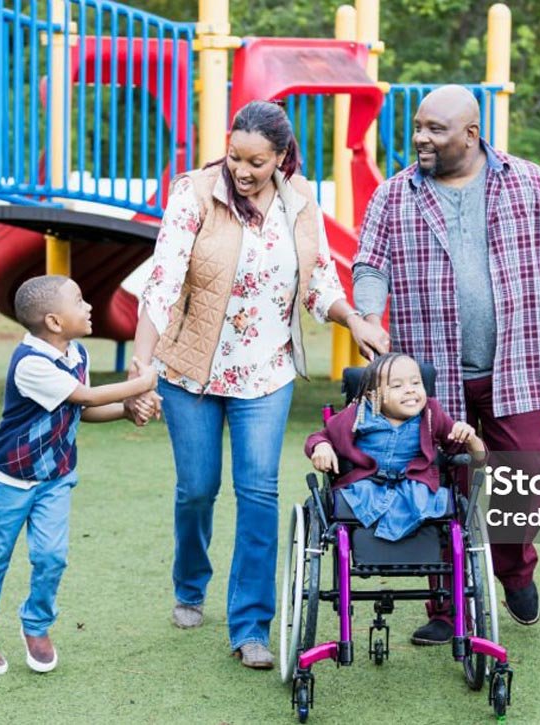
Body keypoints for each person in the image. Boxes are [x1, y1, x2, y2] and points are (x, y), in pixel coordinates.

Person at [353, 84, 540, 645]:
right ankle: (446, 605)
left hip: (518, 365)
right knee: (436, 488)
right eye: (418, 127)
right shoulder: (395, 195)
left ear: (471, 134)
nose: (420, 138)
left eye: (435, 129)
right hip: (429, 378)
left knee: (527, 479)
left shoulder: (527, 181)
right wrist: (365, 314)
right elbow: (369, 264)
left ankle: (513, 570)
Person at [127, 100, 388, 670]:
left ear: (281, 158)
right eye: (235, 156)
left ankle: (251, 625)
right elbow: (164, 279)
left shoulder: (300, 205)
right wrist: (140, 366)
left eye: (257, 162)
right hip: (189, 370)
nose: (242, 171)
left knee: (259, 493)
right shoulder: (193, 194)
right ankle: (190, 583)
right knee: (197, 488)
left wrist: (356, 320)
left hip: (266, 371)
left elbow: (319, 284)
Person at [0, 275, 158, 676]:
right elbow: (85, 396)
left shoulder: (76, 353)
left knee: (51, 557)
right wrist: (144, 381)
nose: (88, 307)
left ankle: (36, 625)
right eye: (80, 300)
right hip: (10, 480)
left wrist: (127, 410)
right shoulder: (31, 363)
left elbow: (81, 411)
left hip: (56, 478)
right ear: (53, 320)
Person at [305, 354, 486, 541]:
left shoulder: (431, 414)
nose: (410, 391)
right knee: (350, 499)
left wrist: (471, 438)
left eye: (416, 383)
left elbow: (480, 459)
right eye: (397, 386)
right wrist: (322, 447)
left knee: (435, 499)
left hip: (415, 490)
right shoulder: (358, 415)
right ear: (373, 395)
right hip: (366, 488)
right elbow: (319, 436)